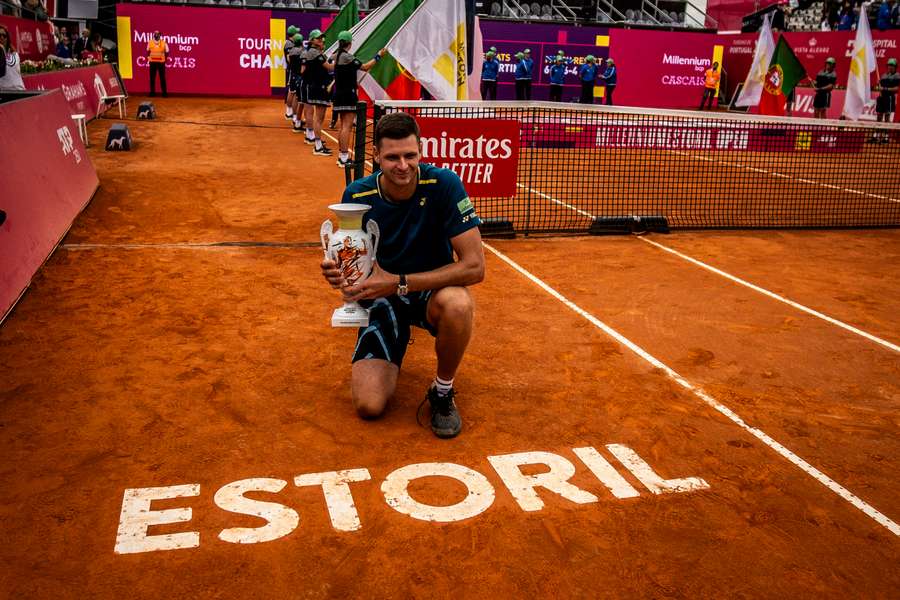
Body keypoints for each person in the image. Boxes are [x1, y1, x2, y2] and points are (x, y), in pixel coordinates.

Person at [320, 112, 484, 439]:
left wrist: (400, 282)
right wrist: (341, 272)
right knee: (369, 406)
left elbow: (474, 267)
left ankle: (442, 390)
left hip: (430, 290)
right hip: (382, 298)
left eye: (410, 155)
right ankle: (394, 334)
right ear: (376, 157)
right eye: (392, 157)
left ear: (420, 153)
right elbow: (353, 260)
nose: (403, 165)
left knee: (459, 304)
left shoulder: (444, 185)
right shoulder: (357, 195)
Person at [330, 30, 386, 168]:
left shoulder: (335, 56)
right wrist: (378, 56)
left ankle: (341, 156)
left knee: (343, 126)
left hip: (339, 94)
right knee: (346, 126)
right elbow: (365, 67)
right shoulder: (347, 57)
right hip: (347, 95)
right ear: (349, 43)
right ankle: (344, 158)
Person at [301, 29, 332, 156]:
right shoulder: (314, 53)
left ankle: (317, 143)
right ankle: (318, 146)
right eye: (318, 39)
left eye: (322, 38)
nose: (321, 40)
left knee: (319, 117)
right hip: (318, 87)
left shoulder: (316, 52)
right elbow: (330, 67)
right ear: (312, 41)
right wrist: (345, 63)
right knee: (319, 118)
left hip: (318, 87)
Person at [873, 58, 898, 142]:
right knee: (879, 116)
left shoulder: (897, 76)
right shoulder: (883, 76)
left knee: (887, 117)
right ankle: (875, 136)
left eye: (892, 65)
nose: (890, 67)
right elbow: (880, 88)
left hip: (889, 98)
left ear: (895, 67)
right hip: (881, 98)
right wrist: (879, 86)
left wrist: (885, 89)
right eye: (889, 65)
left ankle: (886, 137)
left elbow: (896, 88)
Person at [287, 33, 305, 133]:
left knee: (294, 95)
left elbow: (289, 60)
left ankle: (294, 117)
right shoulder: (302, 51)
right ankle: (296, 119)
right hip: (300, 76)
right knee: (300, 99)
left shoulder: (292, 51)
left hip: (293, 74)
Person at [0, 25, 25, 91]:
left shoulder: (15, 54)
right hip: (4, 93)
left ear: (7, 38)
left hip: (20, 90)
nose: (1, 37)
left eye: (4, 36)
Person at [147, 30, 168, 97]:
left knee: (162, 78)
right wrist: (149, 59)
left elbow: (167, 52)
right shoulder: (150, 42)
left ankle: (164, 93)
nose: (156, 35)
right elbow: (148, 51)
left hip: (161, 63)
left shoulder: (164, 43)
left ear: (160, 35)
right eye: (155, 34)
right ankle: (152, 92)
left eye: (158, 34)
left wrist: (164, 59)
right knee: (152, 78)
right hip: (152, 63)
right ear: (153, 35)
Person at [283, 25, 298, 121]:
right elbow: (289, 58)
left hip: (293, 69)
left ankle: (291, 111)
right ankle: (288, 112)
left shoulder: (291, 43)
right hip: (292, 69)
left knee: (293, 91)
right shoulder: (289, 44)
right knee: (291, 91)